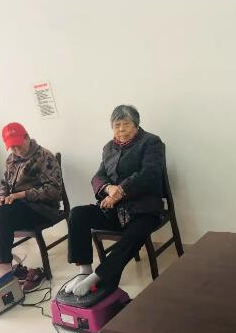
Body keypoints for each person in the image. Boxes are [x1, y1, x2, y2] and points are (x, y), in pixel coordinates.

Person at [64, 105, 165, 296]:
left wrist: (120, 191)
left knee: (134, 235)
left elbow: (150, 174)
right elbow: (98, 177)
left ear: (136, 125)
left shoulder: (151, 142)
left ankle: (100, 276)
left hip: (144, 209)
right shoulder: (109, 147)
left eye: (125, 124)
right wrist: (108, 189)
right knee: (77, 214)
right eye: (116, 125)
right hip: (114, 208)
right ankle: (84, 271)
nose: (121, 129)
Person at [0, 122, 63, 291]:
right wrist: (0, 196)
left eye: (18, 145)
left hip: (42, 208)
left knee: (2, 213)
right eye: (12, 147)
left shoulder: (44, 157)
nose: (16, 150)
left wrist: (23, 194)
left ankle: (3, 263)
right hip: (18, 206)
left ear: (27, 137)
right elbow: (4, 184)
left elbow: (54, 191)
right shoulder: (11, 159)